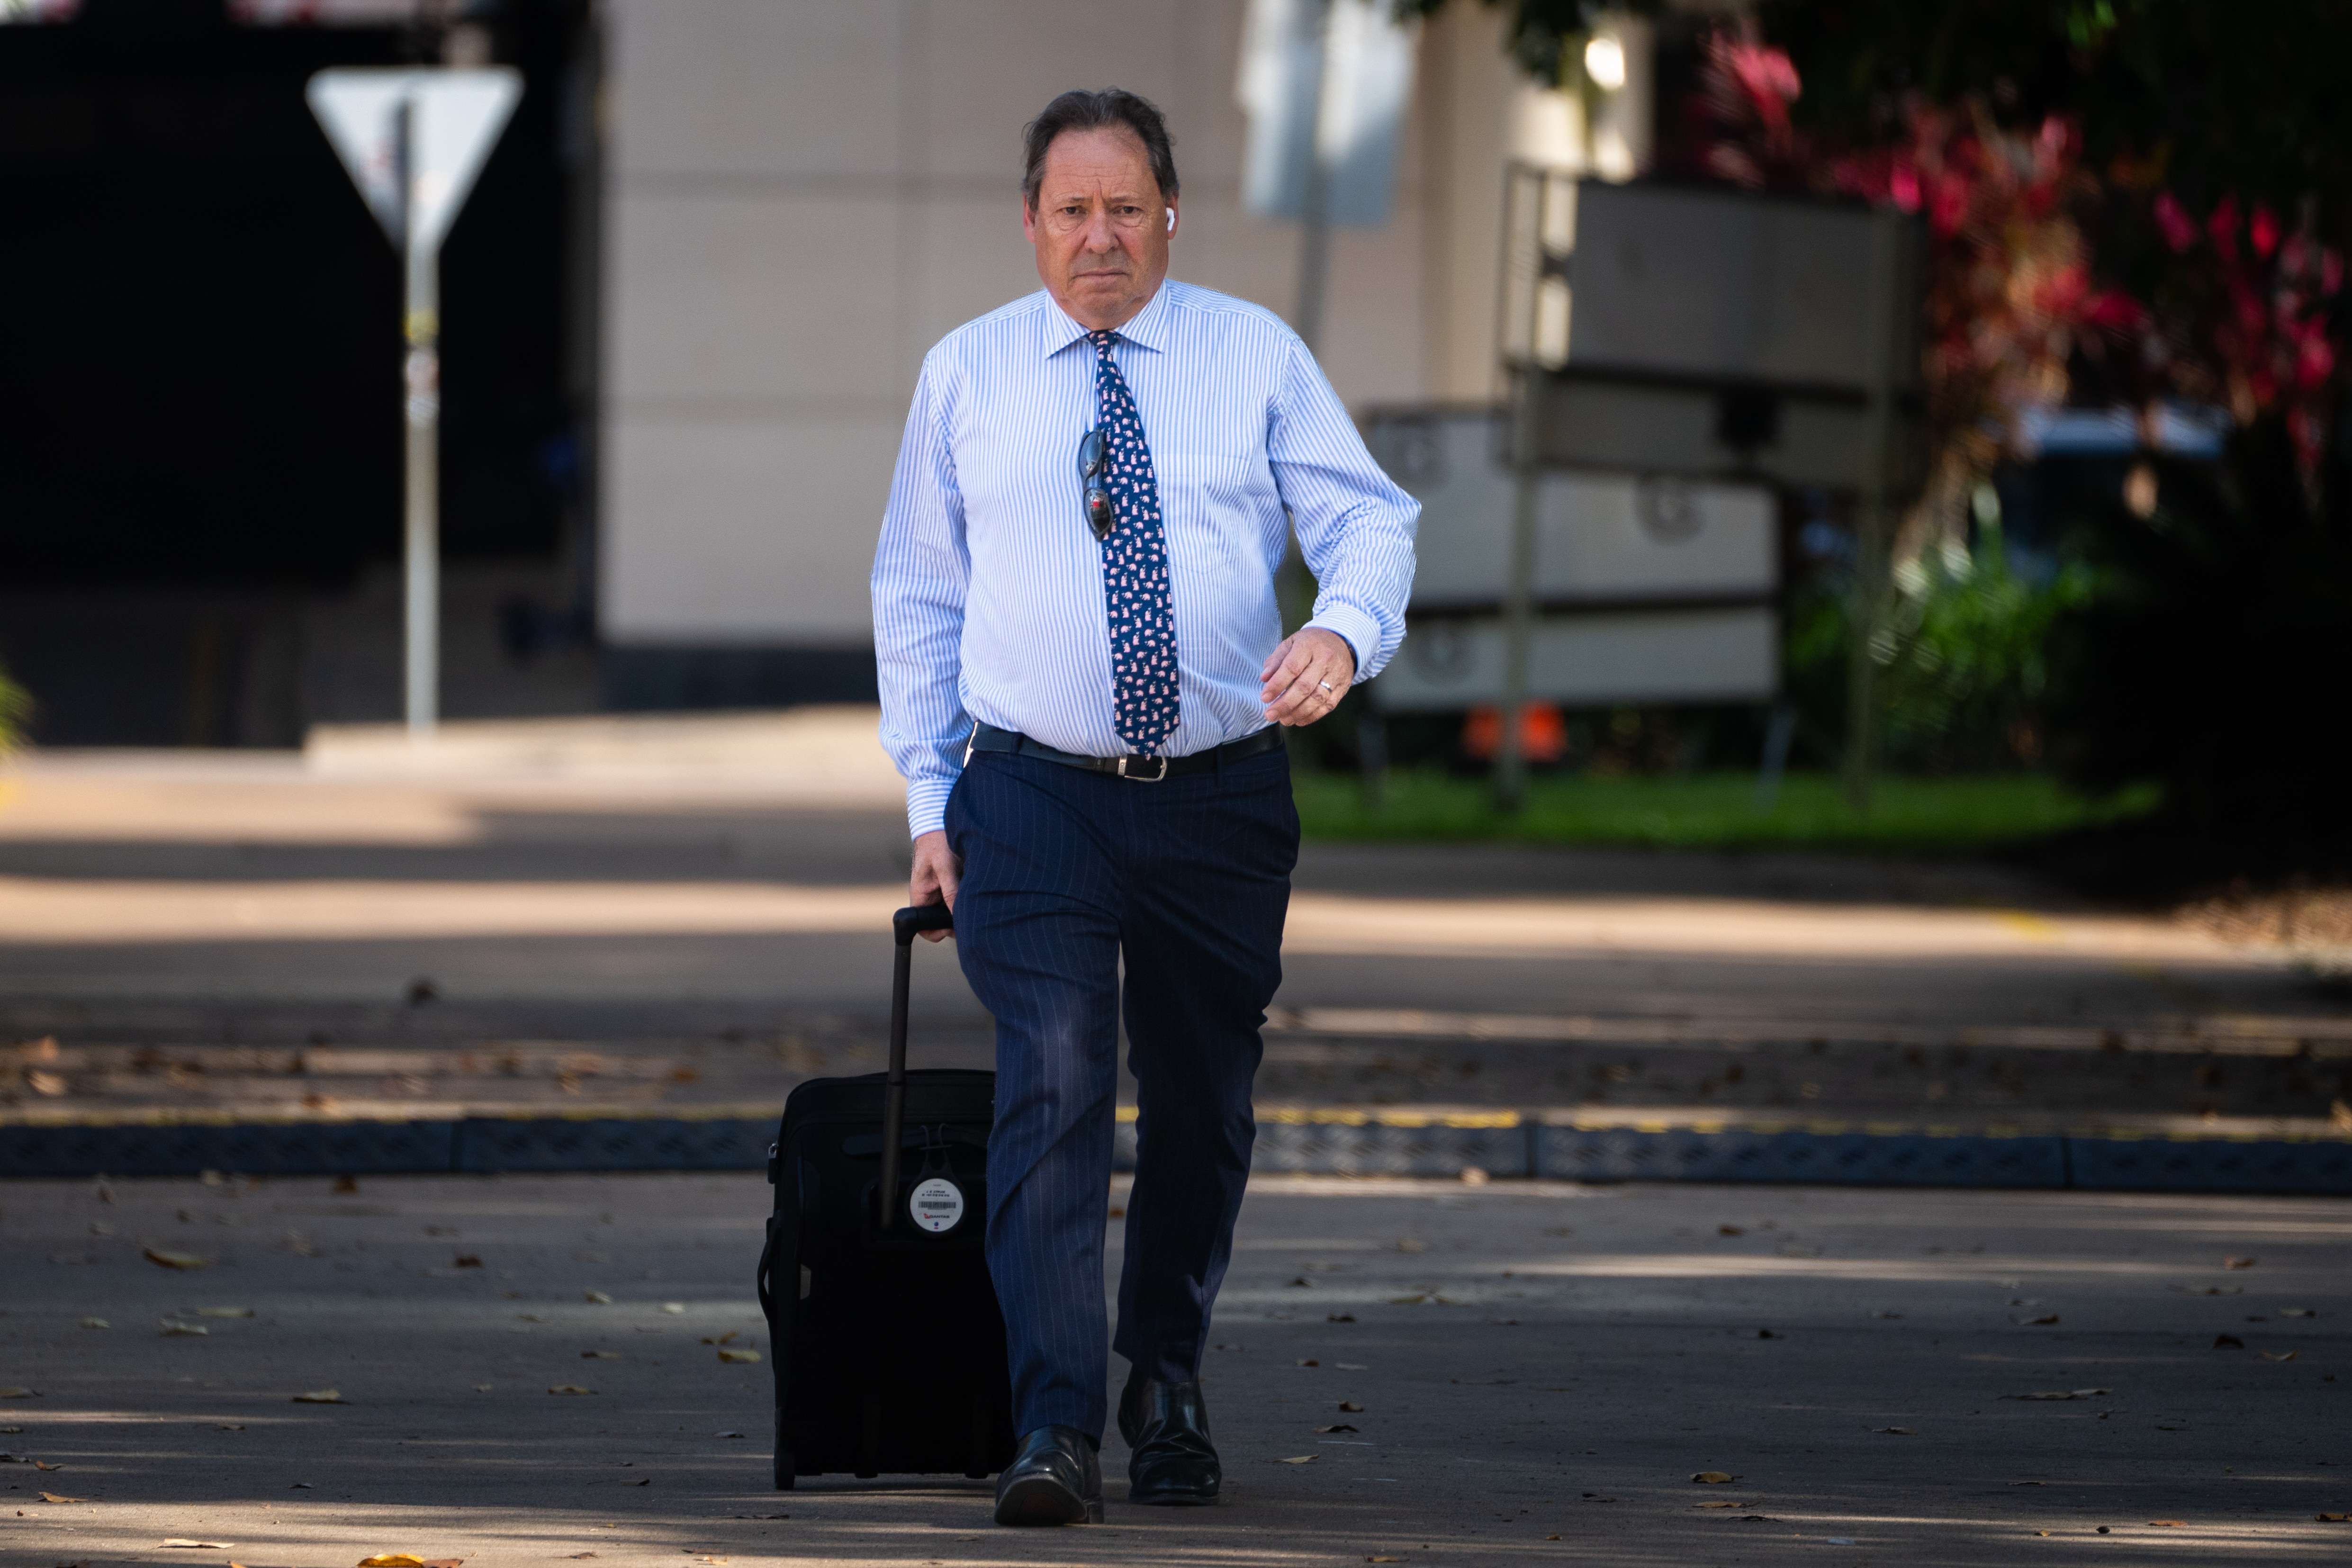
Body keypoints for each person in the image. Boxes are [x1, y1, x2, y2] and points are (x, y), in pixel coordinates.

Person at [871, 86, 1417, 1527]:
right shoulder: (968, 375)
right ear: (1032, 224)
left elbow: (1371, 516)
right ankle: (1053, 1427)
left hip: (1220, 803)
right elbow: (919, 598)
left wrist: (1343, 633)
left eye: (1127, 208)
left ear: (1169, 214)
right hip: (1031, 796)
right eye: (1072, 211)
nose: (1099, 236)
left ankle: (1161, 1375)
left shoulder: (1255, 356)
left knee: (1199, 1106)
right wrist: (933, 805)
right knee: (1053, 1078)